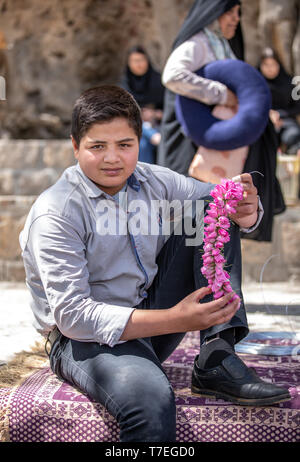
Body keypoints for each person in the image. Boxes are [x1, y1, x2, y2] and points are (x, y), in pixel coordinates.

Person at [19, 85, 290, 443]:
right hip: (84, 340)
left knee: (211, 205)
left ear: (139, 140)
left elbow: (218, 200)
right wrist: (177, 319)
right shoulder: (57, 211)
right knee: (150, 403)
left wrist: (247, 210)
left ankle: (216, 356)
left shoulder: (150, 180)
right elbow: (73, 317)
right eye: (97, 146)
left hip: (149, 314)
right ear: (75, 146)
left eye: (124, 145)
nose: (112, 158)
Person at [158, 0, 286, 242]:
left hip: (217, 149)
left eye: (238, 12)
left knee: (217, 225)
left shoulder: (221, 45)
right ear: (212, 13)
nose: (236, 18)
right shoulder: (198, 43)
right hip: (195, 145)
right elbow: (173, 75)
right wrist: (222, 95)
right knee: (192, 227)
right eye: (229, 12)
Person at [258, 47, 300, 155]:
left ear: (278, 65)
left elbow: (297, 107)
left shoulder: (290, 82)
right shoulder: (256, 84)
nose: (270, 69)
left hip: (286, 122)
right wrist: (268, 116)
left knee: (293, 136)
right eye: (266, 65)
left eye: (273, 64)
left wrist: (279, 115)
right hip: (263, 123)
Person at [120, 45, 165, 111]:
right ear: (129, 63)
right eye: (135, 61)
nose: (139, 65)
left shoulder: (159, 81)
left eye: (141, 60)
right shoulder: (124, 84)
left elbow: (168, 107)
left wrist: (155, 114)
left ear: (147, 61)